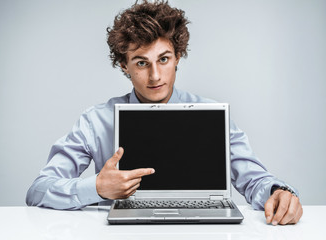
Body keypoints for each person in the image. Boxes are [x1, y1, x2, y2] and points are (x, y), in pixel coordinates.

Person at [26, 0, 302, 225]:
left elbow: (254, 179)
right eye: (141, 62)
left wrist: (279, 192)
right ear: (124, 65)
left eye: (164, 59)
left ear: (178, 56)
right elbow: (38, 190)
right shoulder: (96, 121)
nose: (155, 75)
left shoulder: (212, 114)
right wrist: (96, 188)